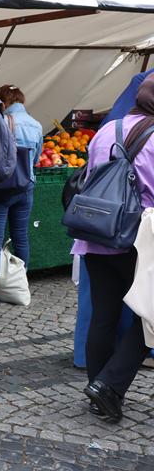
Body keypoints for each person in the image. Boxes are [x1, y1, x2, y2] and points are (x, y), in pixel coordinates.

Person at [74, 75, 154, 423]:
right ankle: (108, 385)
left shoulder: (109, 128)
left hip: (96, 232)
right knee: (149, 316)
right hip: (139, 239)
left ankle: (99, 391)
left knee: (103, 315)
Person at [0, 85, 43, 305]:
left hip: (3, 187)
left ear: (4, 102)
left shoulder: (2, 121)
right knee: (21, 235)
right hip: (26, 186)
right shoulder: (36, 124)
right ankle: (20, 282)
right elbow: (36, 159)